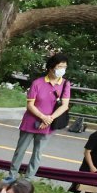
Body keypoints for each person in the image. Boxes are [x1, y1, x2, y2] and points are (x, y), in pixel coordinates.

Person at [6, 53, 71, 181]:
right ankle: (12, 176)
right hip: (30, 122)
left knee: (37, 153)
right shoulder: (38, 83)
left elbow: (65, 105)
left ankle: (28, 179)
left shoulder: (65, 84)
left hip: (48, 124)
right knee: (20, 150)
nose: (62, 69)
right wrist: (43, 117)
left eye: (65, 66)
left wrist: (49, 119)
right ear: (51, 67)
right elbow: (30, 104)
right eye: (60, 66)